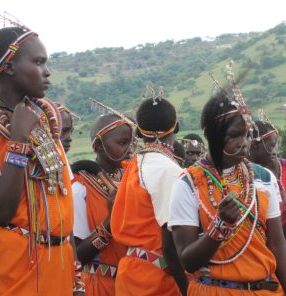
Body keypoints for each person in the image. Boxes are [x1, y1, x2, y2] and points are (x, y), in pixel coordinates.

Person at [169, 82, 286, 295]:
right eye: (234, 135)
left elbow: (277, 245)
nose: (244, 143)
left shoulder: (263, 179)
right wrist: (221, 225)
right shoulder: (188, 184)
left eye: (248, 135)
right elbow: (188, 260)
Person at [0, 23, 83, 295]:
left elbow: (63, 201)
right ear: (9, 67)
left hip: (59, 264)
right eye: (38, 62)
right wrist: (18, 141)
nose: (47, 72)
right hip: (16, 267)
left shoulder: (47, 123)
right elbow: (1, 212)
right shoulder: (10, 130)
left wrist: (76, 275)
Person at [111, 93, 189, 296]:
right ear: (176, 125)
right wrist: (187, 289)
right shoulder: (166, 170)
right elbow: (170, 243)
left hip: (131, 274)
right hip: (156, 281)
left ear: (138, 131)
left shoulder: (135, 165)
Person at [72, 113, 134, 295]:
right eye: (122, 143)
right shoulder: (80, 187)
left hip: (134, 284)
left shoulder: (132, 178)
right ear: (98, 145)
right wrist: (109, 224)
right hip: (99, 286)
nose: (129, 149)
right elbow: (77, 257)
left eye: (130, 143)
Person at [249, 117, 286, 236]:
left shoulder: (277, 170)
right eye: (272, 145)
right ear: (254, 144)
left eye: (276, 145)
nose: (275, 151)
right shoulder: (252, 176)